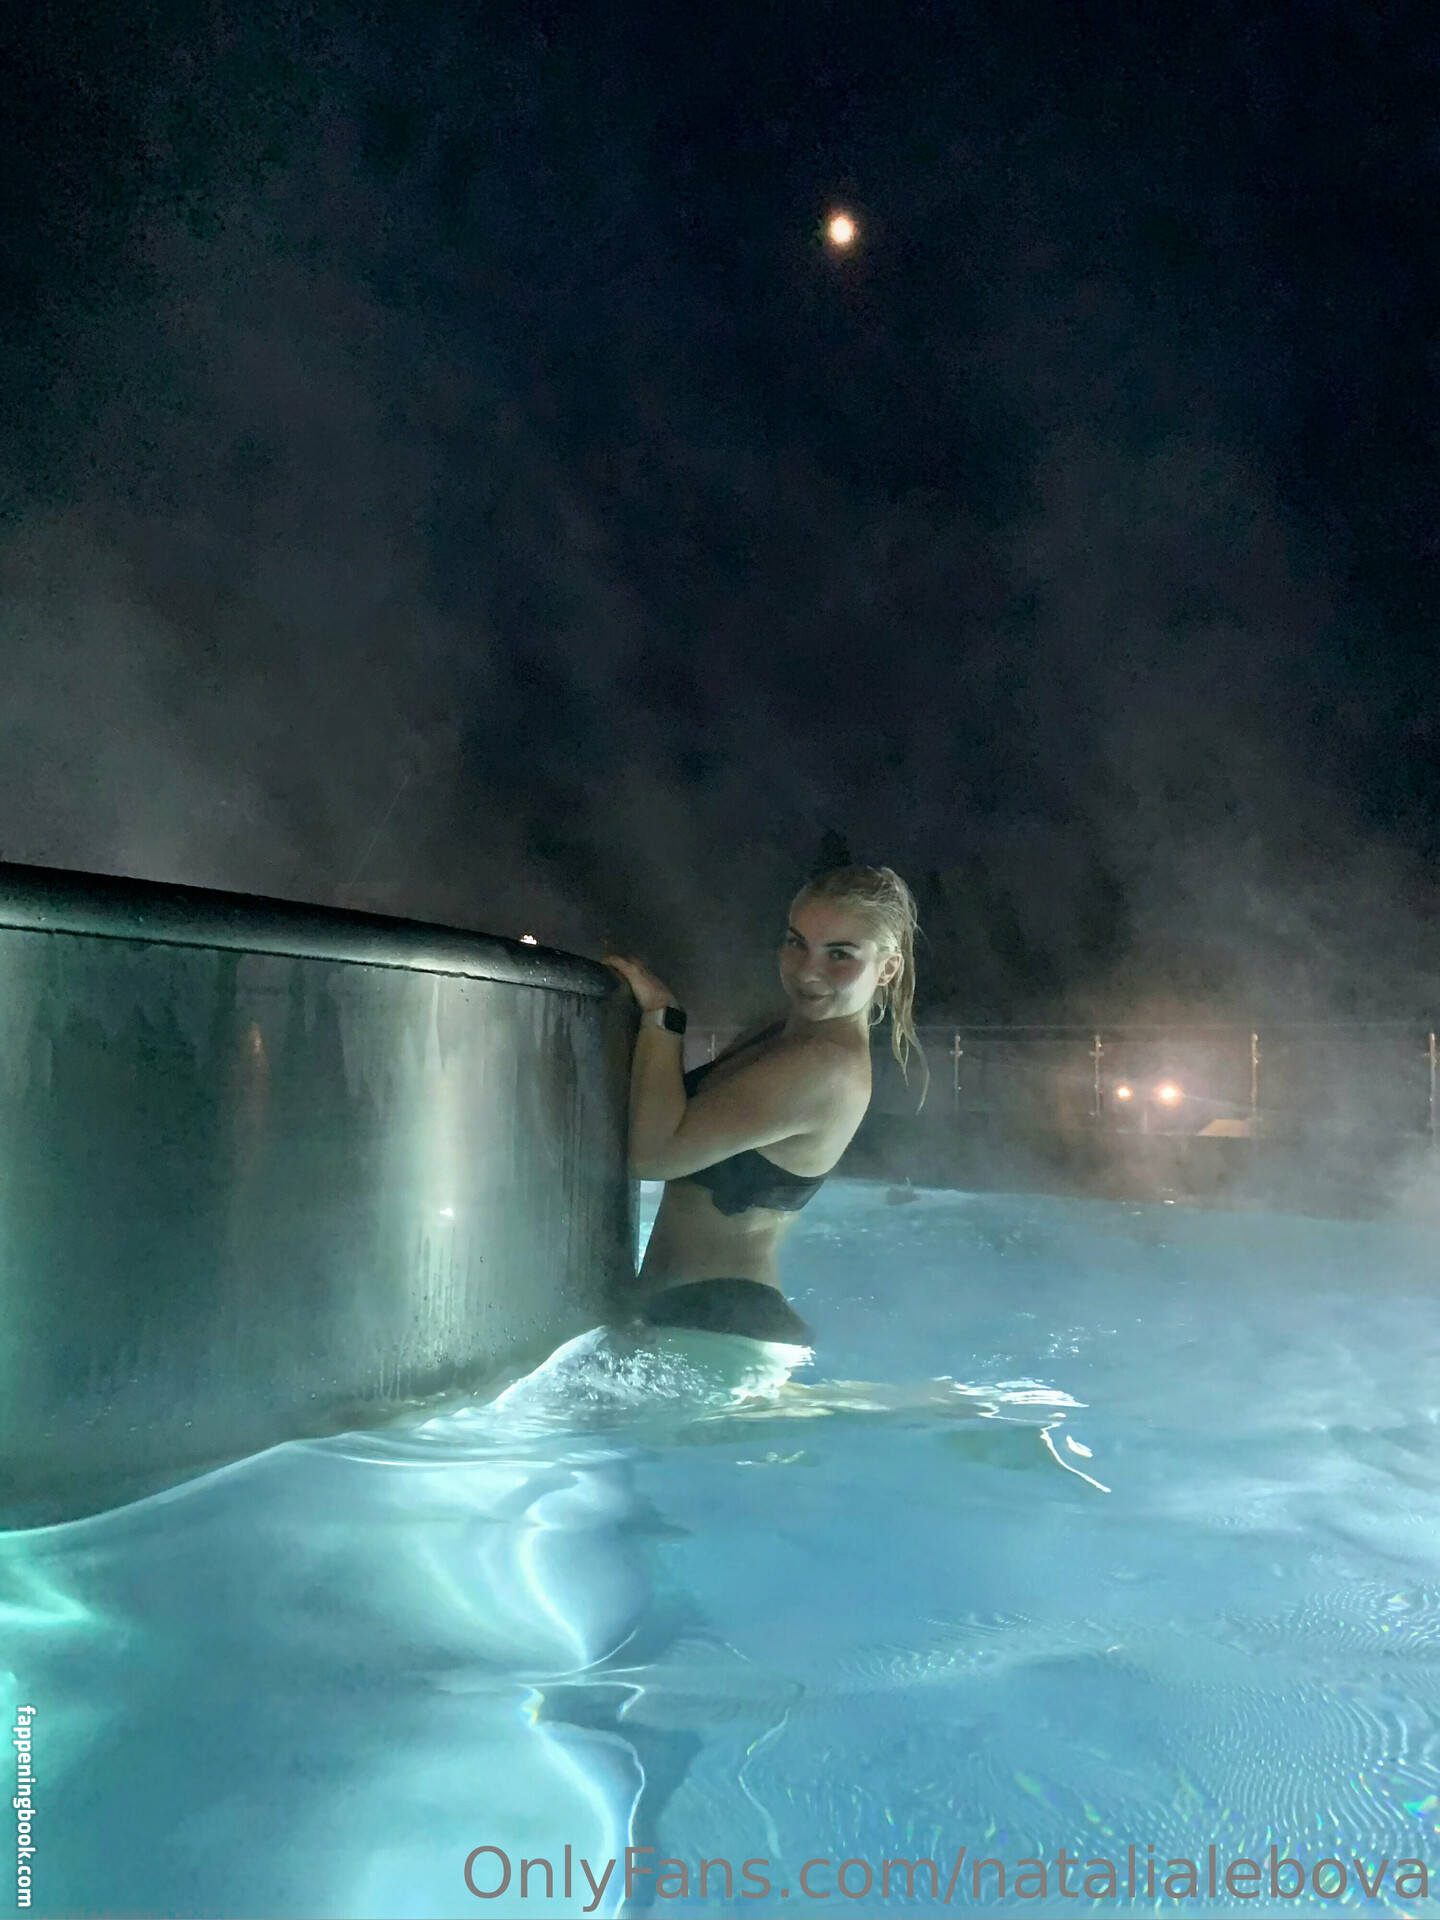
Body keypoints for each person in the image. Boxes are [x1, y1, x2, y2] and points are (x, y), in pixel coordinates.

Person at [603, 865, 927, 1347]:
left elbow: (652, 1157)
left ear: (887, 968)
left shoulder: (826, 1066)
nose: (807, 970)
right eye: (797, 943)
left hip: (724, 1322)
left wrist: (663, 1016)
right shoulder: (780, 1031)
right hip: (700, 1316)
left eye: (840, 954)